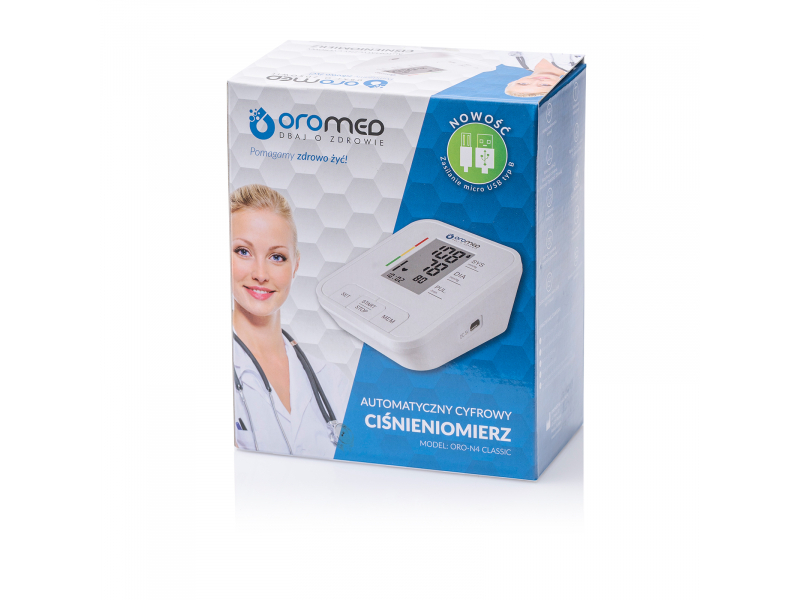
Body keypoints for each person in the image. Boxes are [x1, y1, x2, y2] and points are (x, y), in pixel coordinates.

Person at [230, 184, 349, 459]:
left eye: (277, 257)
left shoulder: (332, 382)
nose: (261, 274)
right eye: (243, 251)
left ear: (295, 265)